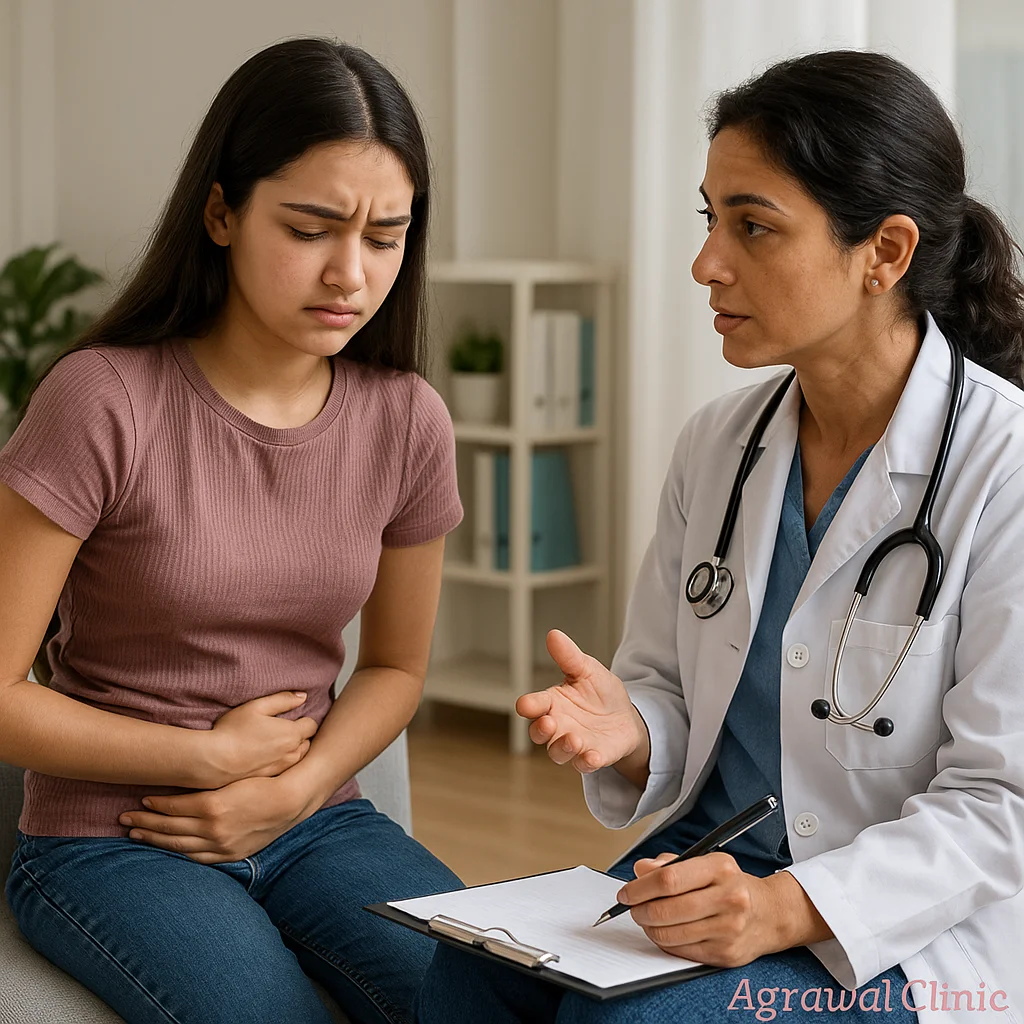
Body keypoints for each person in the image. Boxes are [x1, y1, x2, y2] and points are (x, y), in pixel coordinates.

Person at [415, 50, 1024, 1023]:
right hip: (716, 868)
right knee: (465, 981)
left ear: (887, 253)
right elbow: (664, 687)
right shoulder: (719, 445)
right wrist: (630, 733)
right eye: (711, 219)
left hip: (906, 933)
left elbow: (1001, 807)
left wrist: (784, 907)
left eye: (753, 226)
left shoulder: (1004, 468)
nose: (706, 262)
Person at [0, 37, 464, 1024]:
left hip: (314, 820)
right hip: (105, 836)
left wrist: (294, 790)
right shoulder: (102, 400)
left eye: (385, 237)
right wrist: (204, 760)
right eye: (311, 228)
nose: (350, 272)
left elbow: (394, 669)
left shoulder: (406, 417)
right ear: (221, 212)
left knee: (490, 1000)